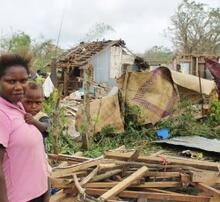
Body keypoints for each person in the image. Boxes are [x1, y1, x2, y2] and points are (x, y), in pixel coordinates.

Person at [0, 54, 48, 202]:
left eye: (23, 80)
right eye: (11, 81)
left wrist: (45, 191)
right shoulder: (2, 114)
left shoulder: (19, 106)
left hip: (36, 193)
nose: (19, 87)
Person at [21, 81, 49, 147]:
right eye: (29, 102)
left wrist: (34, 121)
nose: (33, 106)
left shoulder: (42, 116)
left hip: (37, 151)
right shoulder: (18, 114)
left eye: (38, 102)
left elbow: (45, 127)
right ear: (20, 100)